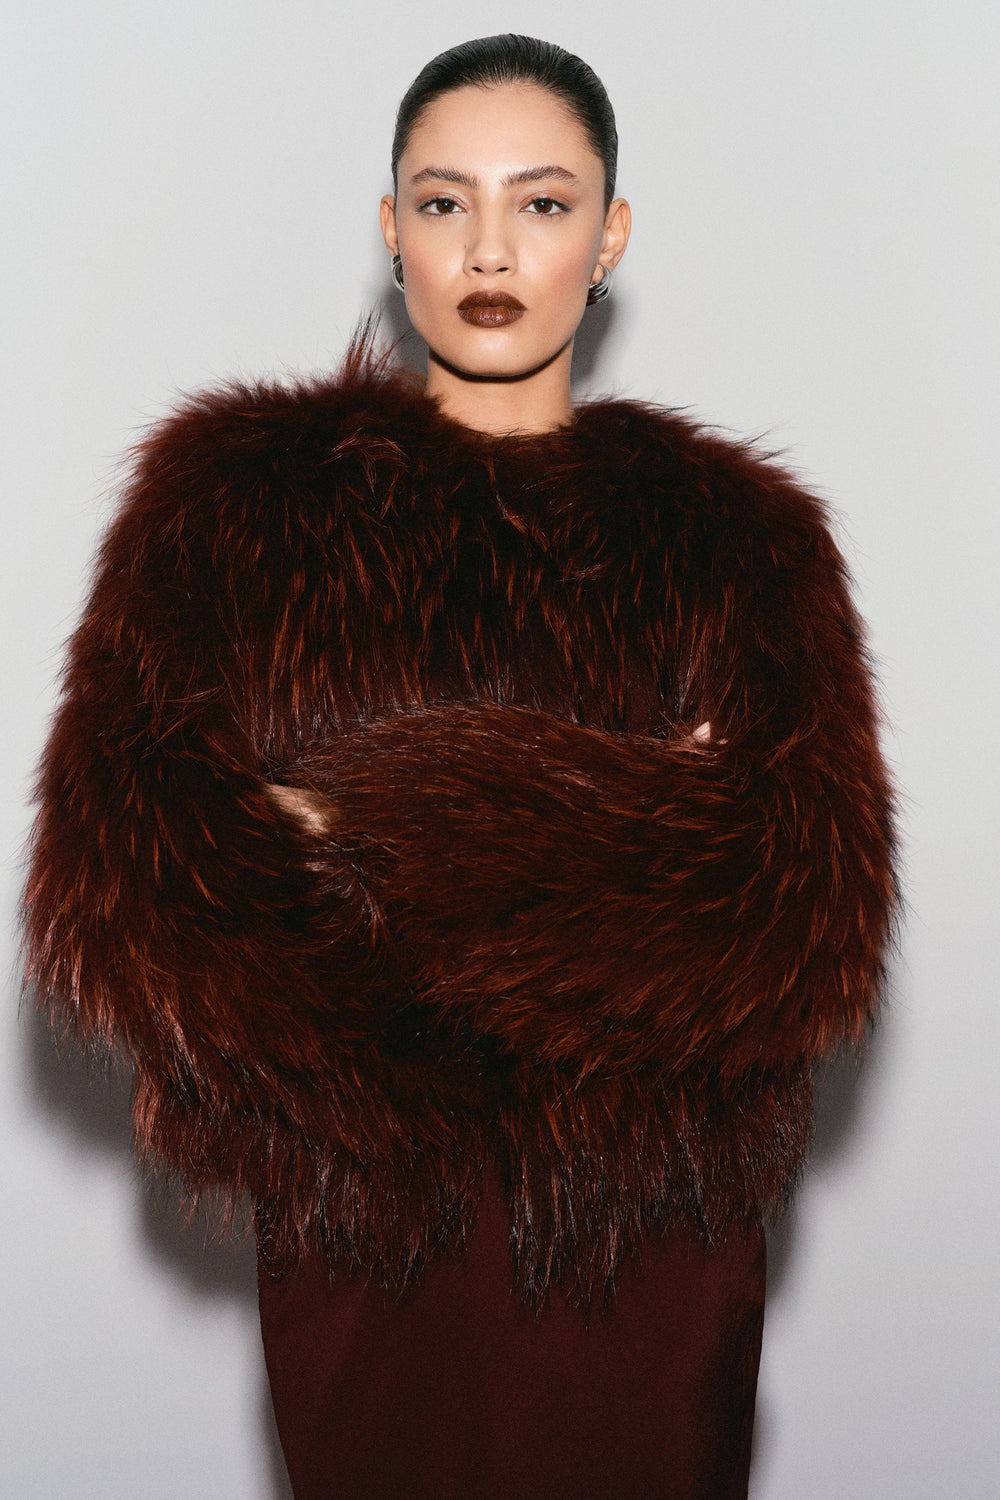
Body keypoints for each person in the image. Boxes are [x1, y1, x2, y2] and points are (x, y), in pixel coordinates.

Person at [22, 33, 897, 1500]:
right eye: (445, 203)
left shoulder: (738, 540)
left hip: (649, 1246)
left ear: (609, 235)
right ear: (393, 230)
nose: (491, 249)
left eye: (543, 203)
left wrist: (344, 822)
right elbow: (129, 889)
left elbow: (802, 922)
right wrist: (631, 816)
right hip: (372, 1237)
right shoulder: (239, 511)